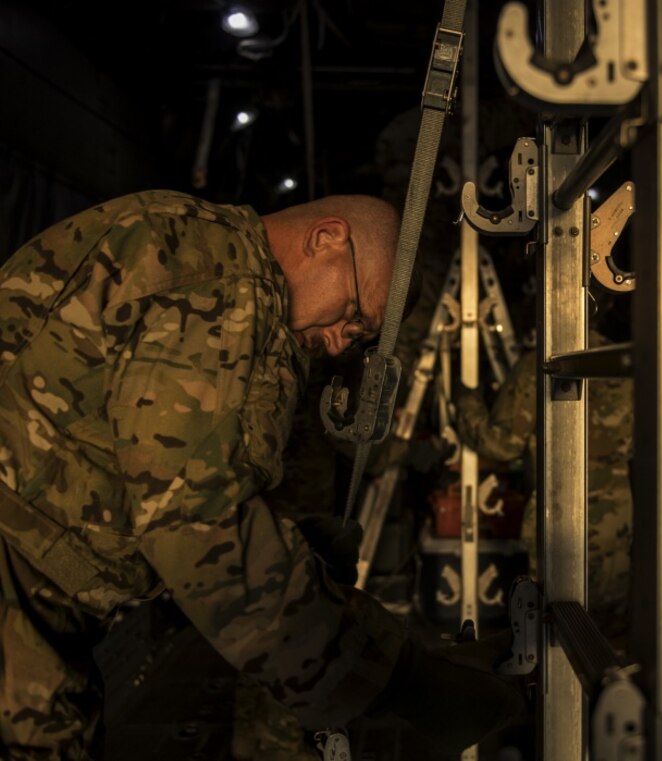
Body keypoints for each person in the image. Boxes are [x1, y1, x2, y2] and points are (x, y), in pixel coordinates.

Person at [0, 190, 523, 759]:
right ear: (326, 238)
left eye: (355, 338)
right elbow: (201, 531)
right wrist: (402, 679)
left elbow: (137, 472)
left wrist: (291, 546)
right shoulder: (219, 282)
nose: (334, 343)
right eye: (352, 317)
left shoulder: (194, 248)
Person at [455, 322, 634, 637]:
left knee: (554, 629)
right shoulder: (623, 363)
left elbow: (500, 443)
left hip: (558, 516)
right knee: (607, 638)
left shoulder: (542, 362)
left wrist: (466, 399)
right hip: (618, 521)